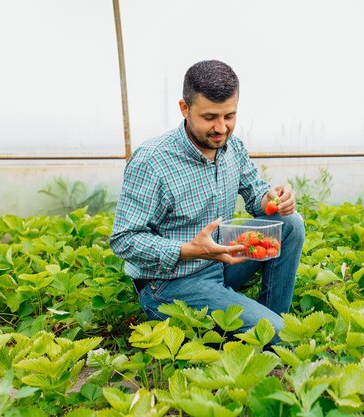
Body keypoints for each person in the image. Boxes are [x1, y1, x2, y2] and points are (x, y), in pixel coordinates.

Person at [110, 60, 305, 345]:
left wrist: (275, 200)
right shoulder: (152, 161)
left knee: (290, 223)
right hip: (171, 283)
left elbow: (256, 194)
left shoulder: (232, 147)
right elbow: (124, 239)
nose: (221, 128)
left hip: (220, 261)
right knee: (279, 334)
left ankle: (271, 321)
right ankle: (272, 333)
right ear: (184, 108)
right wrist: (189, 250)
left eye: (229, 116)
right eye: (210, 117)